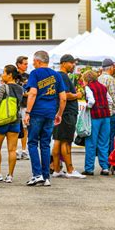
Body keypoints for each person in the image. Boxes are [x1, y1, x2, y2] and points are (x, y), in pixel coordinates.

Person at [23, 50, 66, 187]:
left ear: (38, 61)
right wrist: (59, 114)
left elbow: (32, 93)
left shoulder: (35, 74)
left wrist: (28, 112)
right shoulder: (57, 75)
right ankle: (46, 177)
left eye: (33, 61)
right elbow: (63, 97)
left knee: (32, 143)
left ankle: (37, 175)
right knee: (45, 144)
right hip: (50, 113)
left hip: (37, 112)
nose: (32, 63)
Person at [0, 65, 24, 183]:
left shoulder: (3, 87)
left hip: (2, 121)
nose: (2, 75)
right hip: (15, 121)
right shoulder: (20, 89)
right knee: (12, 150)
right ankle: (10, 176)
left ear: (10, 75)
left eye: (4, 72)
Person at [51, 54, 86, 179]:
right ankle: (70, 170)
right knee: (66, 141)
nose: (73, 65)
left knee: (58, 140)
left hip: (59, 112)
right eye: (72, 63)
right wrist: (77, 94)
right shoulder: (63, 77)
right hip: (66, 113)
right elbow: (65, 95)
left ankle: (56, 169)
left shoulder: (56, 76)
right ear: (64, 63)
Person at [82, 70, 113, 176]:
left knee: (91, 143)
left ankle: (89, 169)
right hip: (106, 116)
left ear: (87, 79)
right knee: (104, 143)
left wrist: (86, 106)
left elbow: (91, 101)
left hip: (95, 117)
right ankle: (105, 168)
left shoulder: (88, 87)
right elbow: (110, 101)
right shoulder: (103, 87)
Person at [98, 58, 115, 154]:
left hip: (102, 112)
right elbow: (114, 97)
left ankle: (105, 160)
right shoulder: (110, 79)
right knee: (114, 136)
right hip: (112, 112)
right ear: (110, 68)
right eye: (113, 67)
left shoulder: (98, 78)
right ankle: (112, 159)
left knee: (104, 137)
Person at [15, 55, 30, 160]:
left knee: (25, 128)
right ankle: (15, 151)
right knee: (15, 128)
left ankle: (24, 151)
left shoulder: (28, 76)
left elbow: (30, 91)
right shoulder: (13, 75)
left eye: (27, 64)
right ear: (18, 64)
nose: (26, 66)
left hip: (25, 105)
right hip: (15, 105)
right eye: (25, 64)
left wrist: (26, 93)